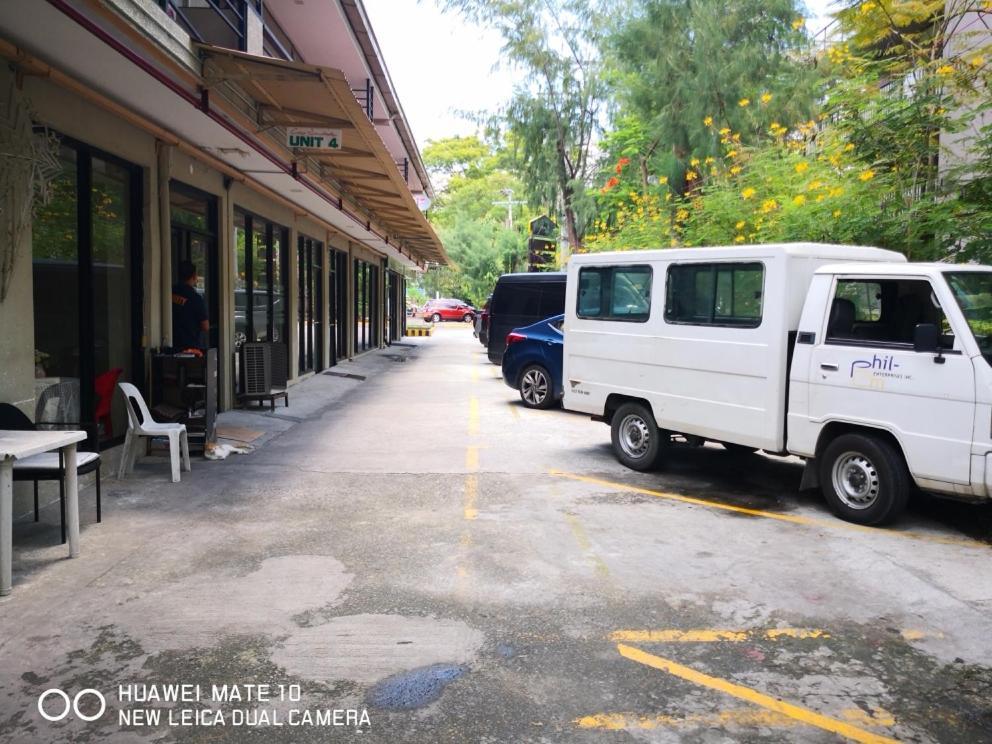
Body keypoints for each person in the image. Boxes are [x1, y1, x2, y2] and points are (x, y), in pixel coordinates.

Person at [172, 260, 209, 351]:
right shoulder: (195, 298)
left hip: (173, 345)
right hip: (191, 348)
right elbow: (205, 326)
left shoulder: (170, 292)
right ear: (194, 276)